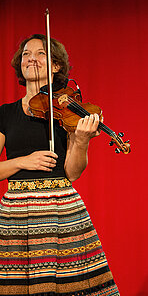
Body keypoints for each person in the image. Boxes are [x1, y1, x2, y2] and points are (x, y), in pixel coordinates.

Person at [0, 34, 120, 295]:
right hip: (17, 212)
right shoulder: (5, 113)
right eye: (26, 54)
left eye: (41, 53)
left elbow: (73, 172)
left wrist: (81, 140)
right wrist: (22, 161)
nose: (31, 58)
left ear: (55, 66)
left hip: (61, 208)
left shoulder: (68, 111)